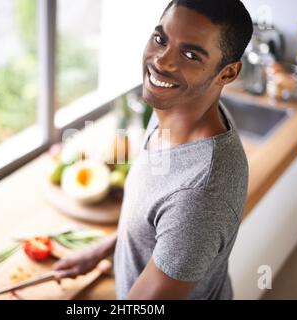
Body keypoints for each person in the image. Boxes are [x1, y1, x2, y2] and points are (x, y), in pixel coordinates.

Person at [52, 0, 253, 300]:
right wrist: (104, 250)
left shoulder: (199, 197)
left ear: (227, 73)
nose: (162, 61)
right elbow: (159, 225)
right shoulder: (176, 108)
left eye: (190, 54)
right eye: (161, 39)